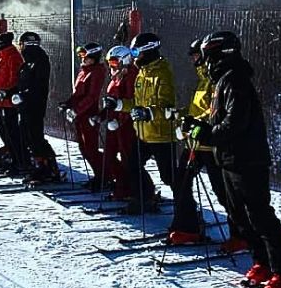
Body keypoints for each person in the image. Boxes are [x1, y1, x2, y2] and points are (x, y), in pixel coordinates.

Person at [190, 30, 281, 288]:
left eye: (208, 56)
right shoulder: (222, 82)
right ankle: (264, 263)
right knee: (239, 215)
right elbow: (220, 120)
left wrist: (207, 133)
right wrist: (199, 126)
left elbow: (235, 122)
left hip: (247, 159)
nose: (205, 62)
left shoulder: (235, 80)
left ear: (220, 54)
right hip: (229, 158)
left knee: (260, 215)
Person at [175, 39, 251, 251]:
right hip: (195, 142)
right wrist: (182, 117)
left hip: (212, 143)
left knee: (224, 192)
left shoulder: (216, 79)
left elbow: (215, 112)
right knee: (180, 181)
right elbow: (197, 109)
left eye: (196, 56)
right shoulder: (202, 79)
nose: (194, 61)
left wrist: (196, 123)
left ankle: (242, 234)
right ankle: (187, 227)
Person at [122, 32, 199, 233]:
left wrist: (148, 112)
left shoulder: (162, 73)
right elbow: (138, 104)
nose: (134, 56)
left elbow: (165, 105)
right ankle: (144, 197)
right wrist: (120, 105)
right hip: (143, 133)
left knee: (169, 176)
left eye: (136, 51)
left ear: (148, 51)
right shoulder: (142, 72)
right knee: (131, 164)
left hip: (161, 134)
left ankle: (188, 212)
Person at [59, 42, 108, 188]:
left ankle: (105, 176)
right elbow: (77, 93)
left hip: (89, 115)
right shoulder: (83, 71)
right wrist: (67, 103)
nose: (81, 58)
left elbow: (92, 96)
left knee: (90, 149)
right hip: (79, 115)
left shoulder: (97, 72)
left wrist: (77, 109)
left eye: (84, 56)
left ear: (92, 57)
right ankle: (100, 175)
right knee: (83, 148)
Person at [15, 31, 60, 183]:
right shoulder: (28, 61)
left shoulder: (38, 59)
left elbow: (39, 84)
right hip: (25, 103)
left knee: (35, 136)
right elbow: (22, 82)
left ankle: (48, 167)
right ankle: (40, 165)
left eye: (21, 44)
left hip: (34, 104)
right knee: (27, 135)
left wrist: (25, 95)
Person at [100, 45, 138, 199]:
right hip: (113, 122)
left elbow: (130, 100)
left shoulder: (131, 75)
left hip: (125, 123)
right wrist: (102, 115)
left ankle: (134, 189)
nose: (111, 66)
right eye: (110, 63)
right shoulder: (117, 76)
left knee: (127, 157)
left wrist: (120, 120)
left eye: (115, 63)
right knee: (109, 155)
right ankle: (122, 186)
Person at [0, 31, 26, 173]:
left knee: (11, 132)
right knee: (3, 131)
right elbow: (0, 77)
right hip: (1, 100)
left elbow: (14, 79)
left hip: (9, 101)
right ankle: (12, 157)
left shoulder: (12, 56)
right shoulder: (2, 56)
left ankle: (20, 160)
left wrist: (6, 92)